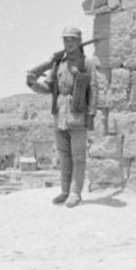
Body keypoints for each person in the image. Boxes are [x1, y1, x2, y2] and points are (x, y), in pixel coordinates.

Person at [26, 26, 99, 207]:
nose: (69, 42)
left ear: (79, 41)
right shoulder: (58, 64)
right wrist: (34, 84)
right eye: (66, 39)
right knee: (64, 156)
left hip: (78, 114)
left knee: (78, 156)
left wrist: (91, 113)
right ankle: (65, 191)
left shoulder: (87, 63)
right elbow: (50, 88)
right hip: (60, 115)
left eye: (72, 39)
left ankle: (75, 192)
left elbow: (94, 89)